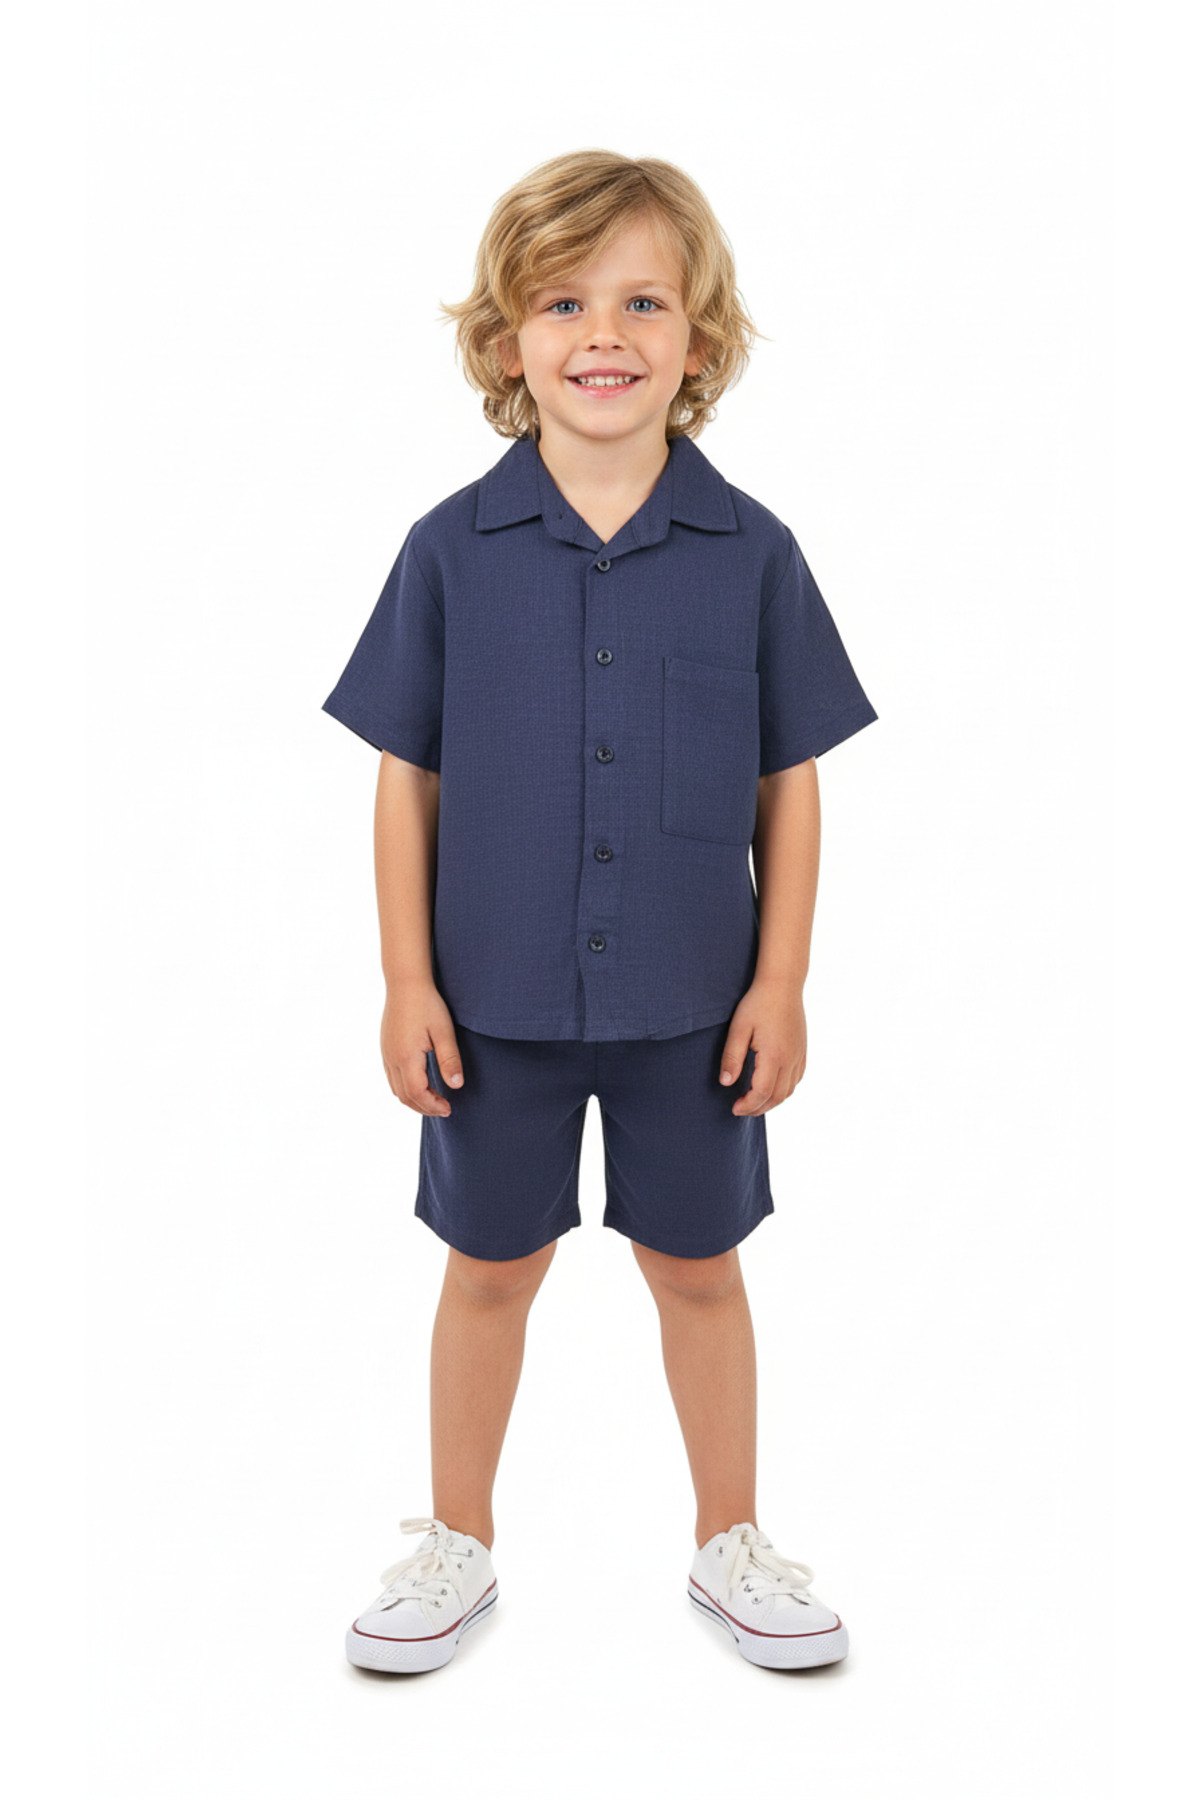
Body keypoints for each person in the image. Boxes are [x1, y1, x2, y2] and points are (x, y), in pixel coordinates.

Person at [322, 150, 878, 1675]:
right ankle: (457, 1542)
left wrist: (783, 983)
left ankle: (730, 1540)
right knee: (488, 1268)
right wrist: (404, 981)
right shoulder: (448, 550)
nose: (603, 335)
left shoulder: (756, 553)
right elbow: (405, 778)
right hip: (489, 999)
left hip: (695, 1005)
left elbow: (790, 783)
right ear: (507, 343)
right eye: (562, 303)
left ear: (701, 340)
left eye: (644, 301)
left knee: (700, 1268)